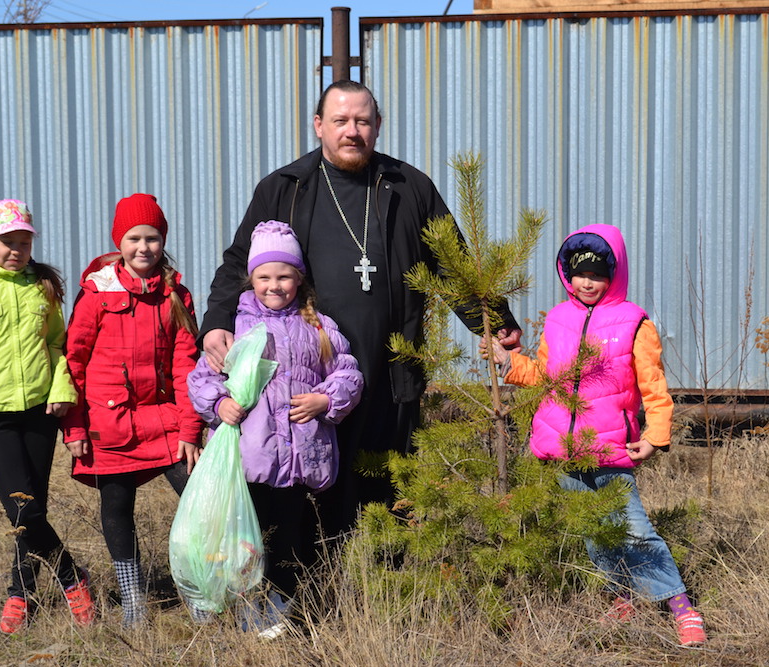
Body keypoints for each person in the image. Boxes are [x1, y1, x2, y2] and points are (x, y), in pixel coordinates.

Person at [199, 80, 521, 536]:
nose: (352, 131)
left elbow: (451, 263)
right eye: (341, 121)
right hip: (307, 373)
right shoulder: (285, 188)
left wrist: (494, 322)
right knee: (307, 496)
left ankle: (381, 589)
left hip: (388, 372)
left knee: (387, 493)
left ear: (377, 125)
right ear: (318, 126)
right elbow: (239, 262)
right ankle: (312, 590)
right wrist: (214, 325)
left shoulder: (408, 187)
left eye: (363, 121)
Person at [483, 223, 707, 647]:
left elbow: (654, 387)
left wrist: (656, 436)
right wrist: (509, 360)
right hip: (563, 449)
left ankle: (681, 607)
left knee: (633, 530)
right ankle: (622, 595)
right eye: (580, 273)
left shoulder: (634, 322)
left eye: (598, 274)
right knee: (592, 530)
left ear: (614, 274)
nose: (587, 282)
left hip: (608, 448)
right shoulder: (558, 318)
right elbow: (547, 375)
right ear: (568, 273)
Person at [189, 220, 364, 638]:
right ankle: (247, 607)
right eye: (264, 276)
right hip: (251, 458)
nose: (275, 284)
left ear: (298, 278)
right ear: (251, 278)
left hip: (300, 458)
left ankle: (281, 611)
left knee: (290, 537)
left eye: (284, 275)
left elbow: (348, 372)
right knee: (249, 539)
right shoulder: (235, 328)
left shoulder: (318, 326)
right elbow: (201, 380)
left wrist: (327, 400)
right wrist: (220, 403)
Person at [0, 199, 96, 634]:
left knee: (31, 511)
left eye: (24, 242)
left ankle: (20, 593)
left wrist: (61, 390)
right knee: (22, 510)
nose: (16, 250)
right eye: (7, 242)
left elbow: (61, 346)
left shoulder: (41, 288)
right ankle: (71, 577)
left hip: (38, 416)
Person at [61, 193, 204, 627]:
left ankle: (200, 588)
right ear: (119, 242)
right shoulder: (96, 295)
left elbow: (187, 367)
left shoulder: (175, 295)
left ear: (163, 241)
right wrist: (74, 428)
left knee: (198, 501)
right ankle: (133, 597)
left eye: (153, 238)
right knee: (117, 506)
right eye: (135, 238)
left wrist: (190, 431)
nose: (144, 248)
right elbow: (74, 363)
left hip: (164, 422)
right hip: (110, 425)